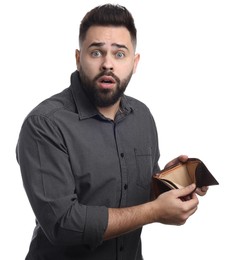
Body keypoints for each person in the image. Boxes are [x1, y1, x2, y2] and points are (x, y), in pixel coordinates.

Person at [16, 4, 208, 260]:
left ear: (134, 62)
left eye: (119, 54)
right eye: (96, 52)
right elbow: (63, 224)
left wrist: (170, 183)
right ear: (78, 57)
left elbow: (135, 192)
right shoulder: (44, 124)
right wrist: (155, 212)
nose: (107, 64)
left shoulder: (142, 116)